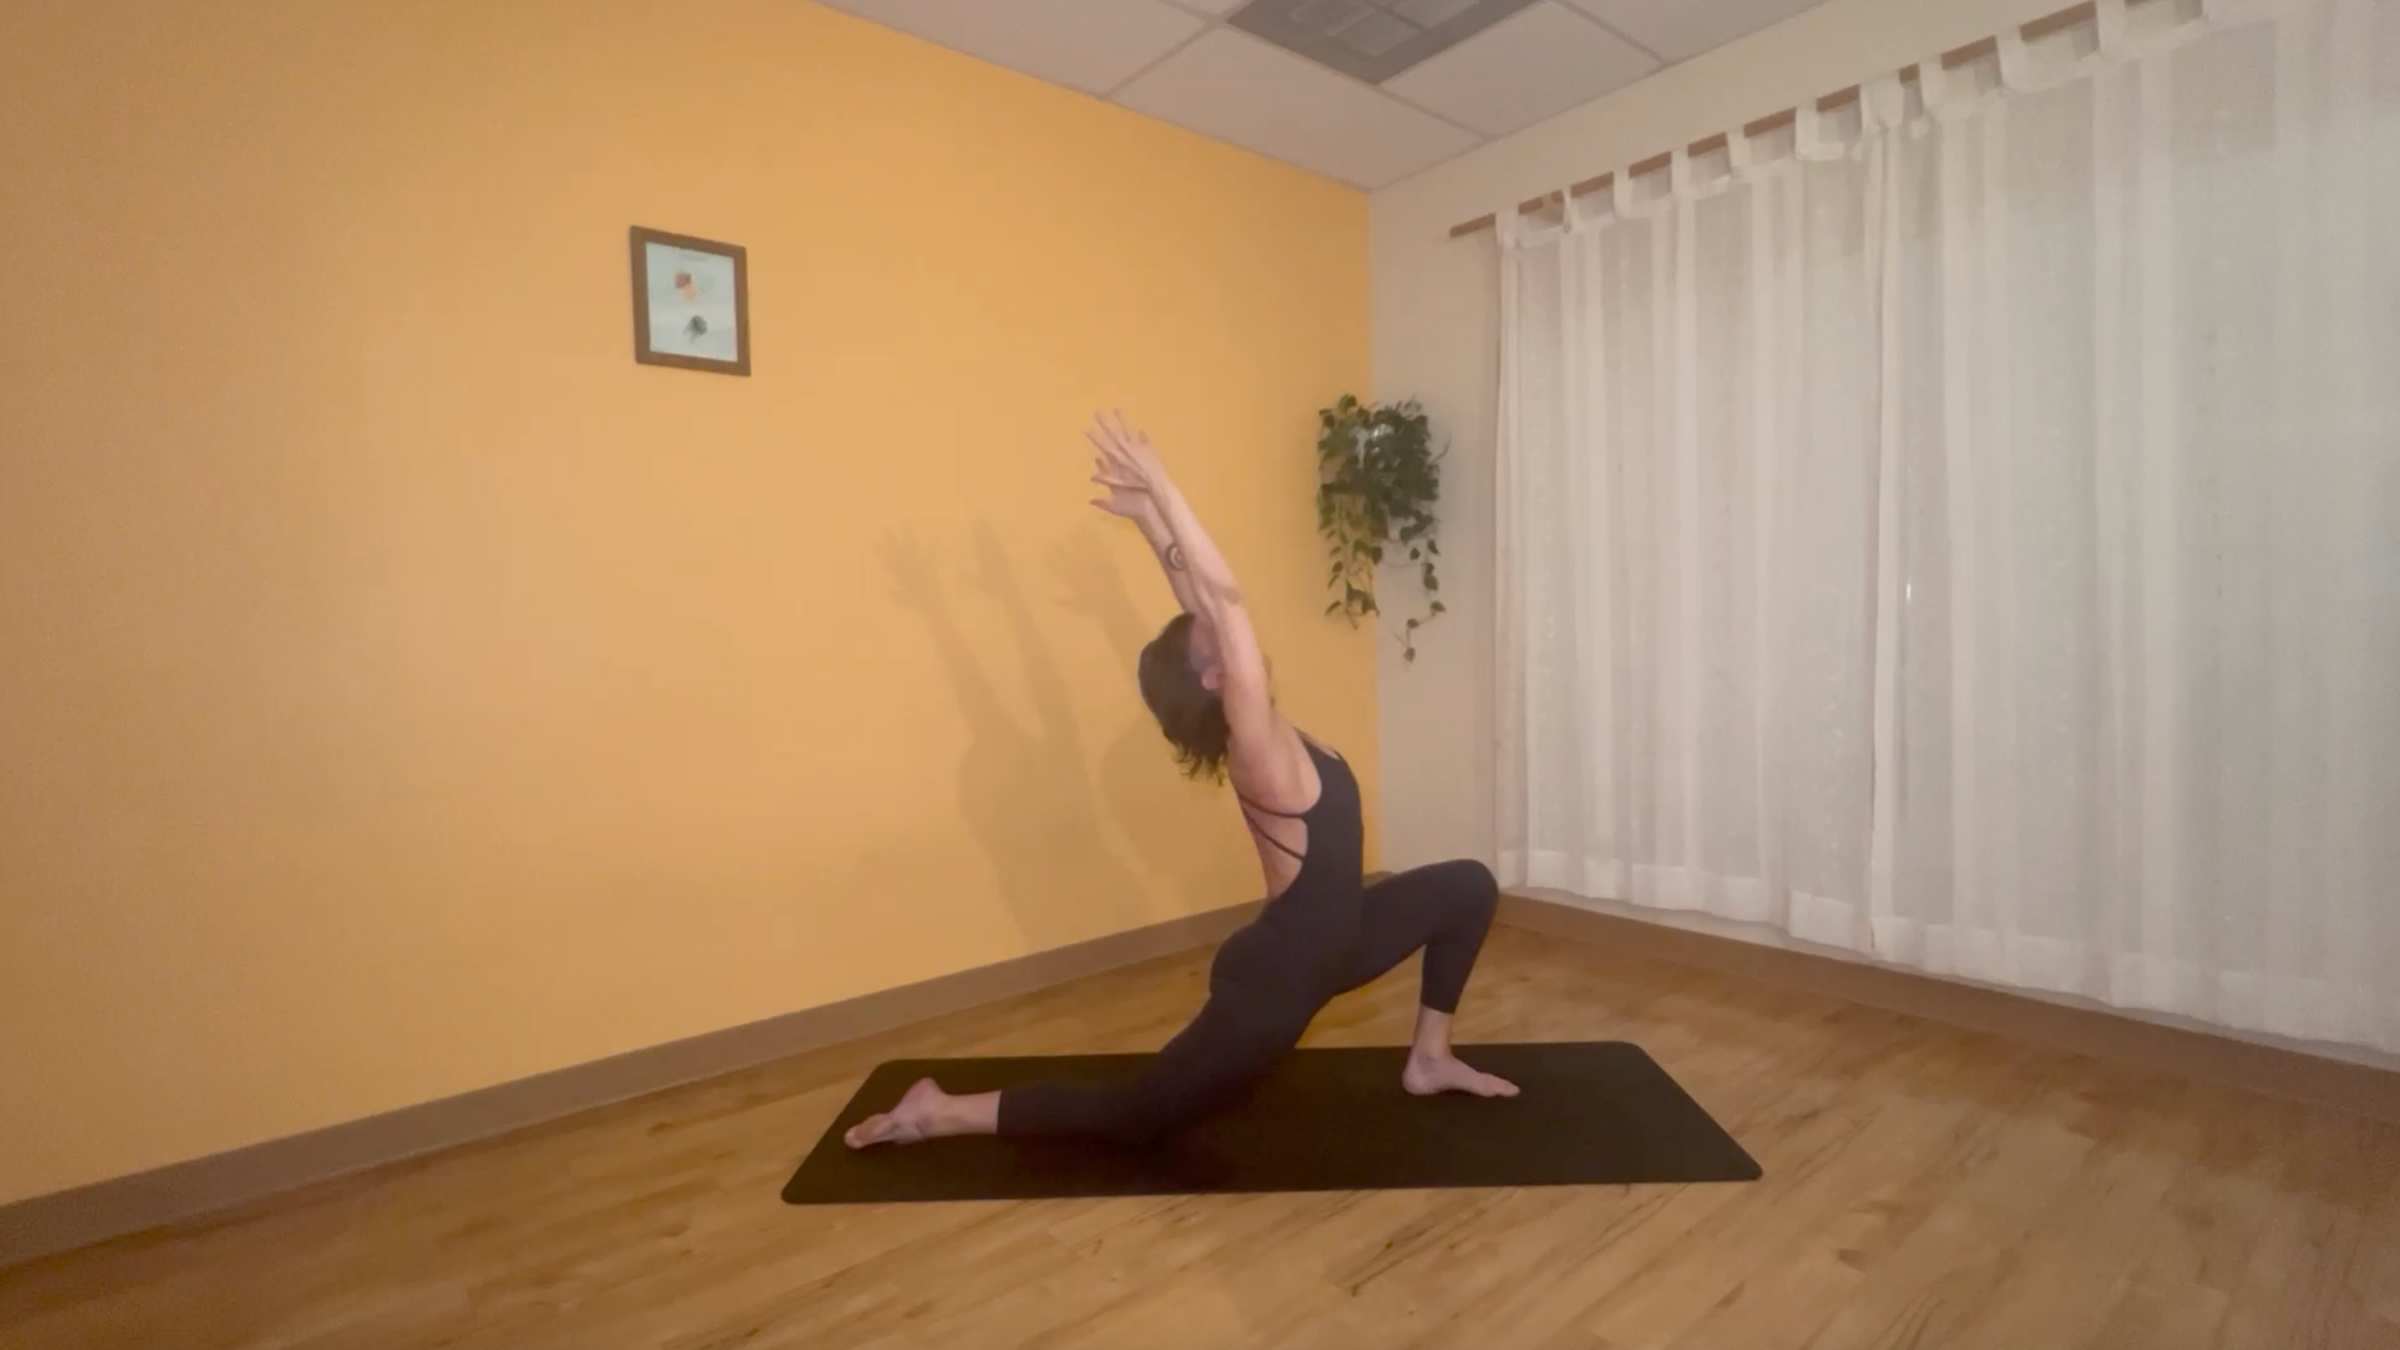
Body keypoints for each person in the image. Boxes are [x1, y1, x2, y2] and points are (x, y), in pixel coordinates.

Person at [845, 412, 1515, 1150]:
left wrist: (1144, 521)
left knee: (1468, 885)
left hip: (1343, 937)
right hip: (1280, 978)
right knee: (1136, 1115)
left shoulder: (1252, 715)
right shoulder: (1255, 746)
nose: (1215, 622)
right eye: (1217, 640)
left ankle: (1429, 1058)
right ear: (1216, 676)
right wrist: (1161, 481)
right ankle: (939, 1111)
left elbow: (1202, 596)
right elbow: (1224, 601)